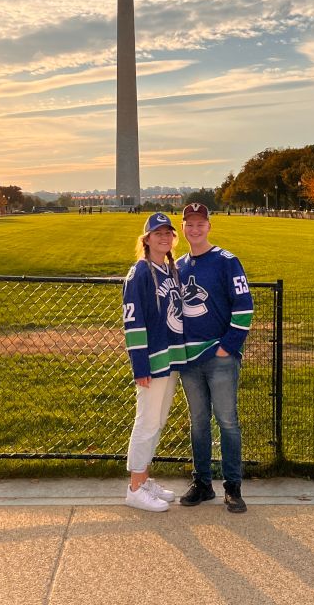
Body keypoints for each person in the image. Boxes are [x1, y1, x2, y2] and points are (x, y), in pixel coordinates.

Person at [177, 202, 254, 513]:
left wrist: (228, 346)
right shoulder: (178, 265)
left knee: (227, 421)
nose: (195, 229)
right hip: (190, 360)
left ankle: (232, 486)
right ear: (182, 228)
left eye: (200, 224)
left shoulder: (226, 261)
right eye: (189, 224)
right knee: (198, 423)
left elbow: (244, 307)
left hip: (220, 356)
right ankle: (203, 483)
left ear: (209, 226)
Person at [122, 212, 186, 512]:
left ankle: (144, 478)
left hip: (170, 358)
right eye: (157, 233)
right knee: (147, 421)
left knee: (157, 421)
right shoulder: (140, 273)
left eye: (168, 233)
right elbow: (133, 322)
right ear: (146, 239)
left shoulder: (170, 270)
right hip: (153, 361)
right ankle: (135, 488)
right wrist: (140, 366)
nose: (163, 237)